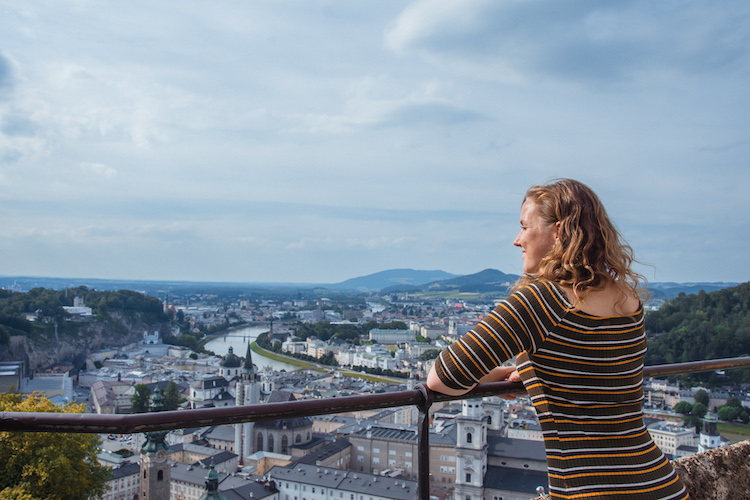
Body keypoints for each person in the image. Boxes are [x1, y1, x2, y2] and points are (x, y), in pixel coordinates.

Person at [427, 179, 688, 500]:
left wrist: (495, 376)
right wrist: (540, 373)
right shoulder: (627, 299)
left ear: (559, 231)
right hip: (660, 483)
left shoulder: (541, 301)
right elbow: (598, 370)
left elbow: (441, 378)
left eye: (524, 227)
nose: (517, 240)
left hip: (591, 490)